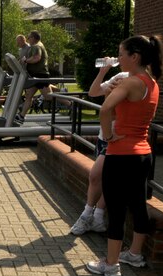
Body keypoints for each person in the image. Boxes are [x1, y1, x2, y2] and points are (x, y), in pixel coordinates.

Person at [86, 35, 163, 276]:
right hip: (143, 154)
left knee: (117, 210)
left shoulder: (131, 83)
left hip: (121, 155)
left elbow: (106, 108)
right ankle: (134, 254)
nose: (118, 58)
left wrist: (108, 137)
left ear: (135, 57)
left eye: (121, 54)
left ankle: (110, 264)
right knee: (138, 204)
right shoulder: (152, 82)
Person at [70, 68, 128, 235]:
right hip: (105, 136)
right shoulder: (120, 77)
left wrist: (111, 95)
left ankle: (88, 215)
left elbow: (118, 112)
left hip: (117, 137)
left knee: (96, 175)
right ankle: (97, 217)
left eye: (122, 54)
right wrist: (104, 72)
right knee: (103, 178)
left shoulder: (138, 82)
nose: (119, 58)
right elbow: (93, 92)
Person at [16, 31, 51, 124]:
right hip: (35, 75)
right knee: (28, 95)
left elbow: (37, 58)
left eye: (29, 37)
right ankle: (21, 116)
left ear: (34, 38)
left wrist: (26, 60)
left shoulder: (36, 46)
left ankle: (70, 104)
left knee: (48, 96)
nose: (28, 39)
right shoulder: (37, 45)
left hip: (40, 75)